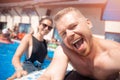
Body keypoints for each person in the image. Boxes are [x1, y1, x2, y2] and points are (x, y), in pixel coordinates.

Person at [38, 7, 120, 80]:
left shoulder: (114, 54)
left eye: (73, 26)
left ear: (88, 23)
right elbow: (51, 75)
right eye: (63, 33)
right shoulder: (65, 49)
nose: (69, 35)